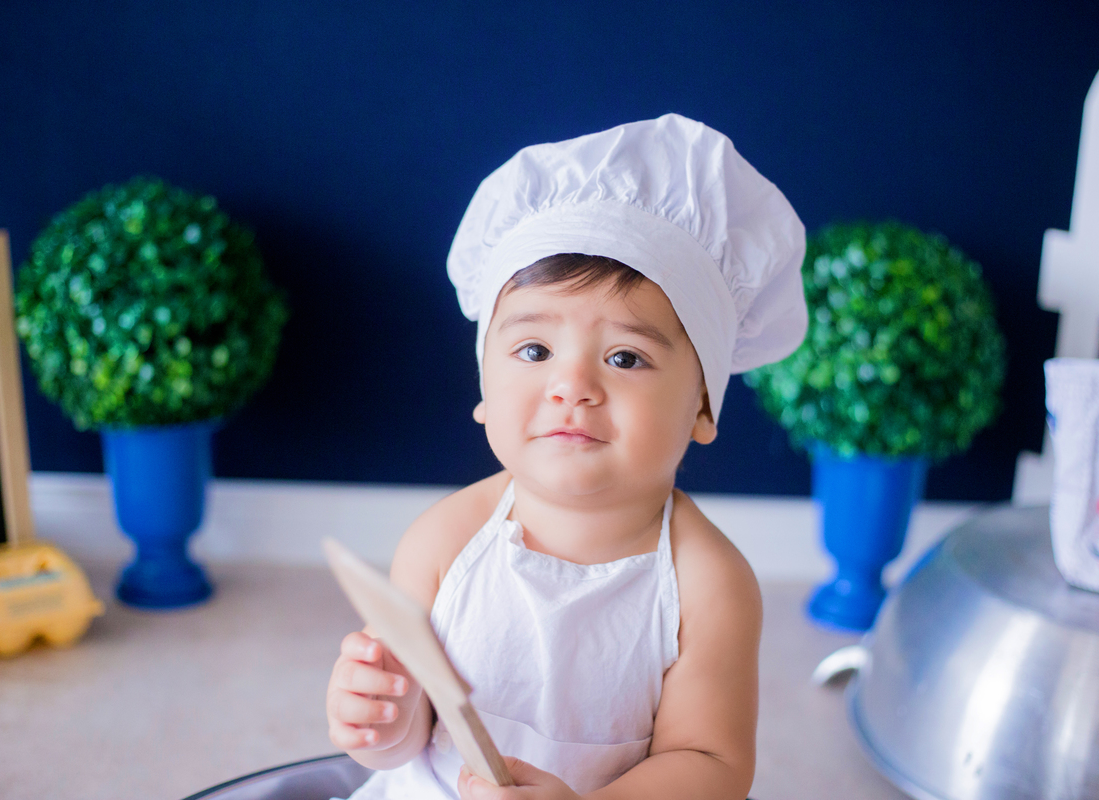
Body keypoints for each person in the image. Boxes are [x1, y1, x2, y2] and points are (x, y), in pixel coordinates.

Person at [325, 113, 807, 800]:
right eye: (533, 350)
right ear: (485, 389)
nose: (572, 386)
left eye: (625, 357)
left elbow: (711, 765)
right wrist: (378, 717)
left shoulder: (708, 583)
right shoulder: (445, 542)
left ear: (703, 407)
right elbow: (412, 736)